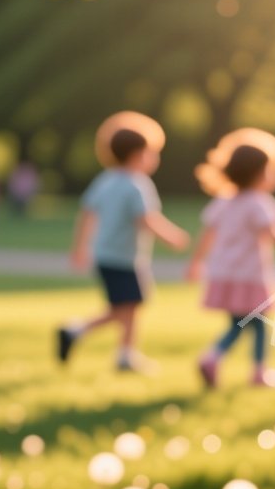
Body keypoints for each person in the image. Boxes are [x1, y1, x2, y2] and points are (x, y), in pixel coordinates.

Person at [58, 113, 188, 372]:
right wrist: (172, 237)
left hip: (105, 255)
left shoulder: (104, 180)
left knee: (129, 306)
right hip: (125, 258)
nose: (155, 159)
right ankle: (77, 330)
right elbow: (147, 219)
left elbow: (87, 214)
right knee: (126, 307)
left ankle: (125, 354)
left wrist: (80, 247)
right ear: (138, 154)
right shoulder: (137, 184)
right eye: (152, 153)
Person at [189, 127, 275, 387]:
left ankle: (219, 359)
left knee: (242, 322)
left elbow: (207, 234)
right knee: (256, 323)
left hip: (224, 274)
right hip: (250, 276)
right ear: (260, 173)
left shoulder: (224, 201)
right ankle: (251, 370)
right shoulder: (259, 202)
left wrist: (196, 262)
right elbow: (274, 234)